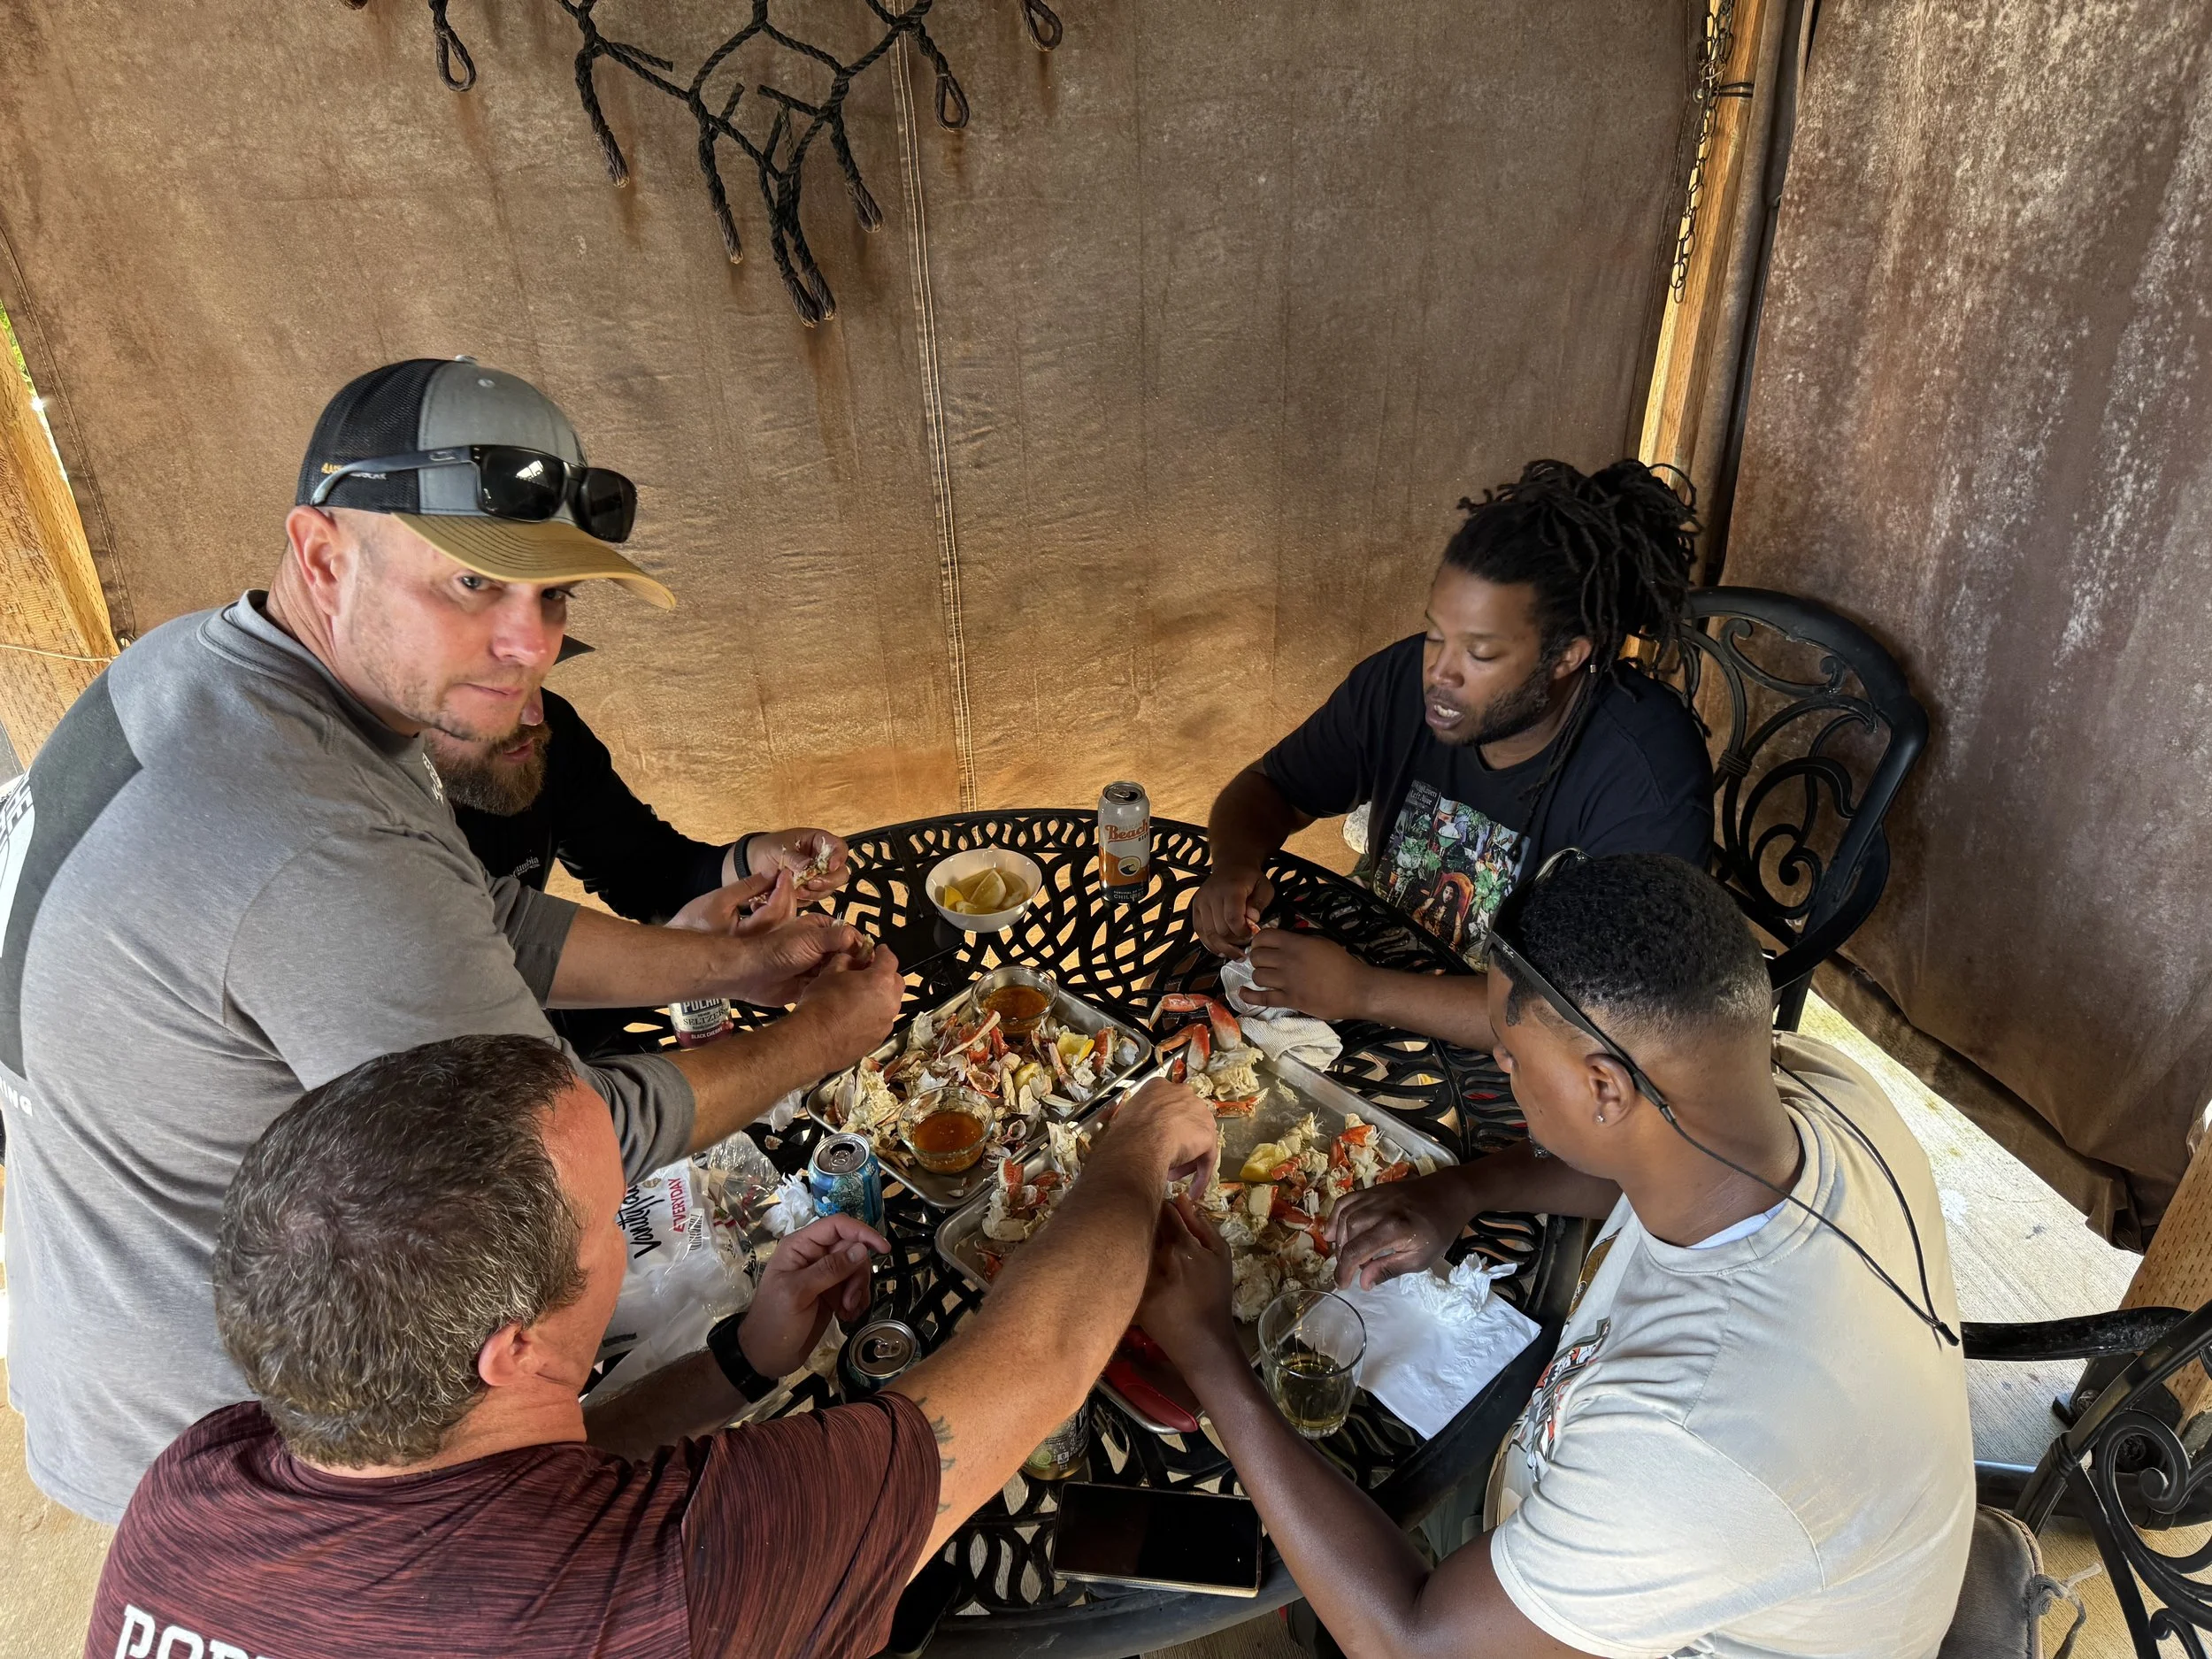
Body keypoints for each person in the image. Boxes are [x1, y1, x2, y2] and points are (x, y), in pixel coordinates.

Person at [0, 357, 904, 1523]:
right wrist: (825, 1032)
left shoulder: (212, 672)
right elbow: (551, 1151)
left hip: (100, 1312)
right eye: (474, 580)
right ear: (325, 555)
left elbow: (474, 913)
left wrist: (732, 961)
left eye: (557, 596)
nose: (528, 643)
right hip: (236, 1438)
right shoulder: (304, 836)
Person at [87, 1033, 1221, 1659]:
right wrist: (1136, 1147)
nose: (628, 1228)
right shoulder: (683, 1576)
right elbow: (1044, 1356)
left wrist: (740, 1364)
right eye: (609, 1213)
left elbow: (506, 1477)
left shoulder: (192, 1483)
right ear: (511, 1345)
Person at [1144, 853, 1974, 1658]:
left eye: (1509, 1053)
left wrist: (1210, 1354)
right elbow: (1636, 1172)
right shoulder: (1811, 1091)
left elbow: (1412, 1642)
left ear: (1605, 1089)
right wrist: (1462, 1192)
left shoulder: (1688, 1438)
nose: (1499, 1064)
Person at [1194, 458, 1713, 1055]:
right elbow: (1271, 787)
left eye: (1481, 652)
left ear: (1568, 654)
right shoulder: (1401, 683)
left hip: (1517, 1068)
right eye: (1437, 634)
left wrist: (1364, 992)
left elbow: (1591, 1020)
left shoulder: (1644, 779)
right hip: (1367, 985)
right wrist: (1234, 865)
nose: (1439, 671)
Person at [428, 678, 855, 1055]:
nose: (533, 713)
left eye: (535, 674)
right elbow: (506, 1041)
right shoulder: (385, 841)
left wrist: (748, 861)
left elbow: (643, 869)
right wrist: (707, 961)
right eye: (489, 687)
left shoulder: (539, 732)